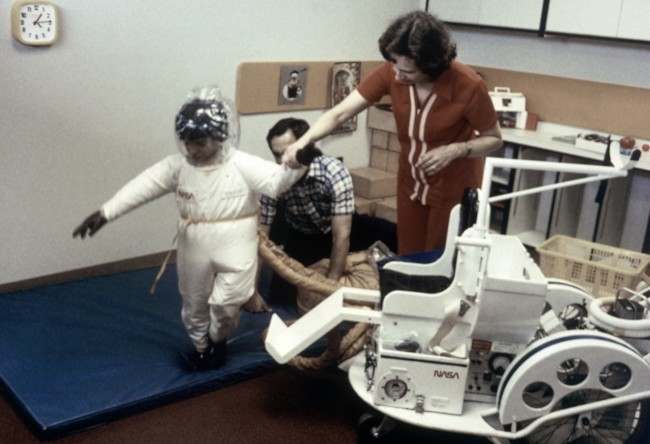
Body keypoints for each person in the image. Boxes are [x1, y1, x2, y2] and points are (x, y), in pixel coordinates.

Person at [73, 86, 306, 371]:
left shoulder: (240, 163)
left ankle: (218, 338)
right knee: (194, 300)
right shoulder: (178, 167)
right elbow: (143, 186)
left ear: (219, 136)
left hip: (236, 241)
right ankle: (201, 347)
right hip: (193, 242)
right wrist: (105, 212)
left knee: (228, 299)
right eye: (188, 142)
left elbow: (275, 183)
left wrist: (298, 164)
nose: (193, 149)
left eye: (199, 142)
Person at [282, 11, 503, 255]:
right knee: (409, 254)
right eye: (395, 65)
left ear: (431, 66)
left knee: (441, 259)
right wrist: (303, 141)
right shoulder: (393, 71)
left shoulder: (468, 85)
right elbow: (339, 113)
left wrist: (456, 149)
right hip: (411, 183)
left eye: (407, 72)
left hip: (453, 189)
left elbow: (494, 138)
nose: (397, 75)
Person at [259, 117, 357, 305]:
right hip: (300, 233)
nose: (284, 161)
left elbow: (341, 236)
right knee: (281, 300)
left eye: (289, 152)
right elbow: (262, 238)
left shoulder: (334, 172)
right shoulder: (274, 178)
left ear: (307, 146)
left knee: (337, 295)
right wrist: (252, 291)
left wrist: (330, 287)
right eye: (277, 155)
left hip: (333, 232)